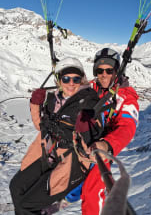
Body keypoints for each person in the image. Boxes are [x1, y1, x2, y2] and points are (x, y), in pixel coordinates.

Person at [9, 57, 102, 215]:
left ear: (82, 79)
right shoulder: (55, 99)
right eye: (66, 78)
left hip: (70, 163)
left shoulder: (89, 101)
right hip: (48, 154)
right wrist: (35, 105)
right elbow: (41, 126)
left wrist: (86, 130)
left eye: (76, 79)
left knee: (27, 205)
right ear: (59, 80)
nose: (71, 83)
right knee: (16, 186)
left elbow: (93, 138)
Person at [80, 48, 139, 215]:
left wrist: (107, 145)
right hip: (82, 141)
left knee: (92, 192)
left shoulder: (126, 97)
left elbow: (127, 127)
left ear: (117, 71)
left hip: (102, 147)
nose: (103, 74)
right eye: (99, 70)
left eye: (109, 70)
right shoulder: (91, 87)